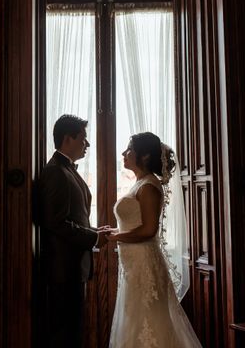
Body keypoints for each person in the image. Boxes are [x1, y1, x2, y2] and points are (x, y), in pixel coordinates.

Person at [106, 131, 201, 347]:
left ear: (145, 156)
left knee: (149, 319)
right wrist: (113, 231)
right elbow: (134, 224)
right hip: (133, 263)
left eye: (129, 149)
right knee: (135, 318)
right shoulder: (140, 183)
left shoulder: (149, 186)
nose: (124, 153)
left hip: (144, 264)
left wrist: (115, 237)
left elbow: (149, 230)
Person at [38, 114, 110, 348]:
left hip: (73, 267)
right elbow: (55, 222)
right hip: (62, 269)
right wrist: (94, 237)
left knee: (74, 331)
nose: (86, 144)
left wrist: (94, 229)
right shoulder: (55, 172)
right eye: (83, 138)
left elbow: (73, 217)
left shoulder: (67, 170)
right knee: (64, 335)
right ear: (68, 139)